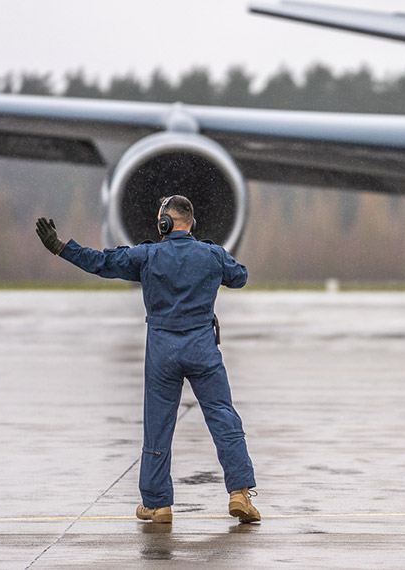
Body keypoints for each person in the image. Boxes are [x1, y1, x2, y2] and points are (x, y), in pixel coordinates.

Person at [34, 195, 259, 524]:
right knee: (223, 417)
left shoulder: (147, 255)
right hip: (202, 349)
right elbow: (240, 277)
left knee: (158, 427)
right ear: (191, 223)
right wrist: (212, 263)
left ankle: (158, 505)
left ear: (165, 223)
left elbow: (101, 262)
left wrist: (60, 246)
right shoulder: (210, 254)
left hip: (163, 350)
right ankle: (239, 493)